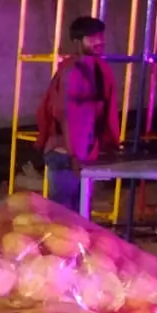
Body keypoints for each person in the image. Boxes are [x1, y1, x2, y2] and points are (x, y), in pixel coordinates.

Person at [35, 15, 121, 210]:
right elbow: (69, 116)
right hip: (68, 155)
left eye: (100, 36)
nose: (99, 41)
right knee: (65, 220)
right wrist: (76, 157)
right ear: (77, 41)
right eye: (91, 37)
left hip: (78, 154)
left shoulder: (92, 69)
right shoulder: (76, 72)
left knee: (75, 218)